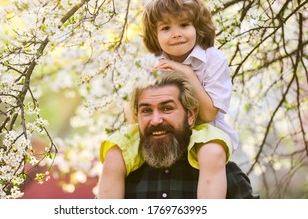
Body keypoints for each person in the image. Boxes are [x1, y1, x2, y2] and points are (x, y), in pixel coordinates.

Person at [98, 0, 238, 198]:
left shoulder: (213, 60)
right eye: (166, 28)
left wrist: (188, 73)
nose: (176, 34)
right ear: (155, 35)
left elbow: (208, 114)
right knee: (115, 151)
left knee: (211, 153)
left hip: (204, 132)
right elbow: (135, 114)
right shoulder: (149, 64)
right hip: (164, 129)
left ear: (198, 28)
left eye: (184, 25)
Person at [101, 71, 257, 198]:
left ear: (190, 115)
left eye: (167, 108)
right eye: (146, 111)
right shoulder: (122, 175)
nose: (155, 120)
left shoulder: (221, 172)